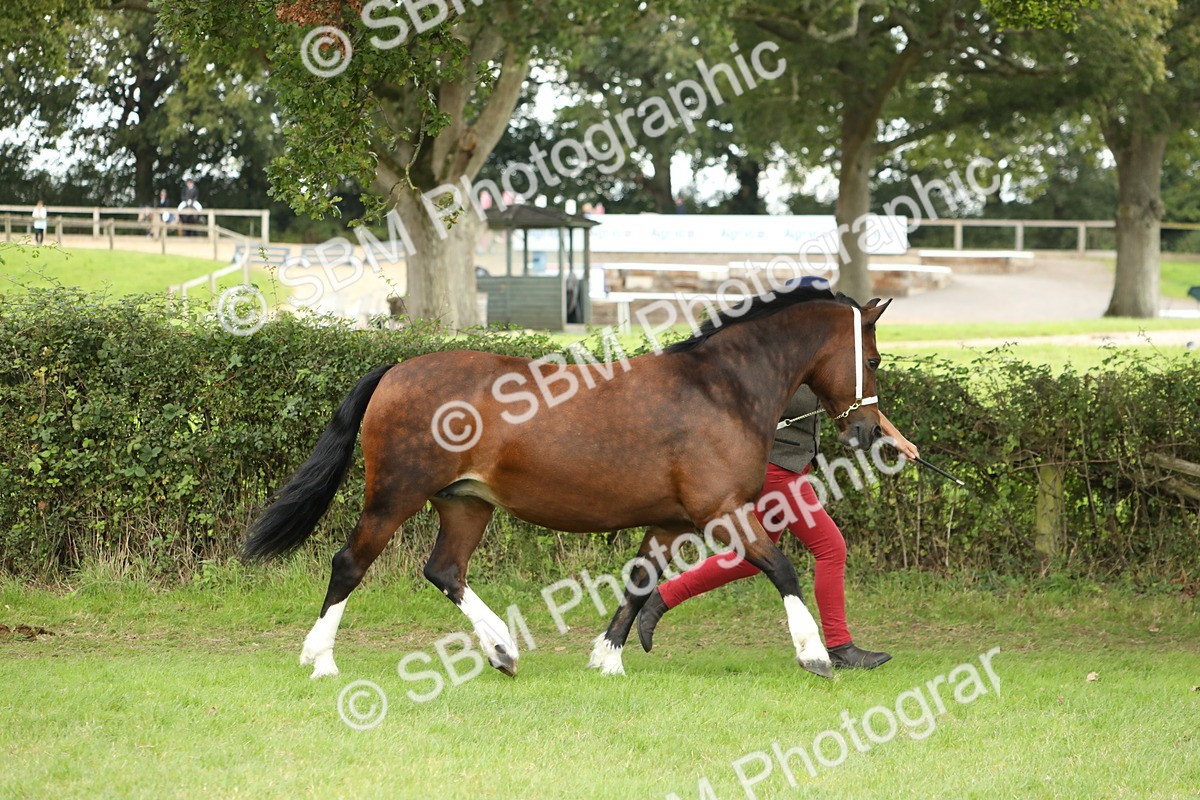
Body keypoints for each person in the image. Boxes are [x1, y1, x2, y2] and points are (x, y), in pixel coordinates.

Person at [637, 283, 920, 670]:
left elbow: (854, 399)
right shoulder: (789, 362)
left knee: (750, 558)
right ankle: (839, 645)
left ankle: (662, 597)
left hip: (792, 466)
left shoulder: (824, 361)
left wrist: (897, 438)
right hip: (776, 469)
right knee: (830, 548)